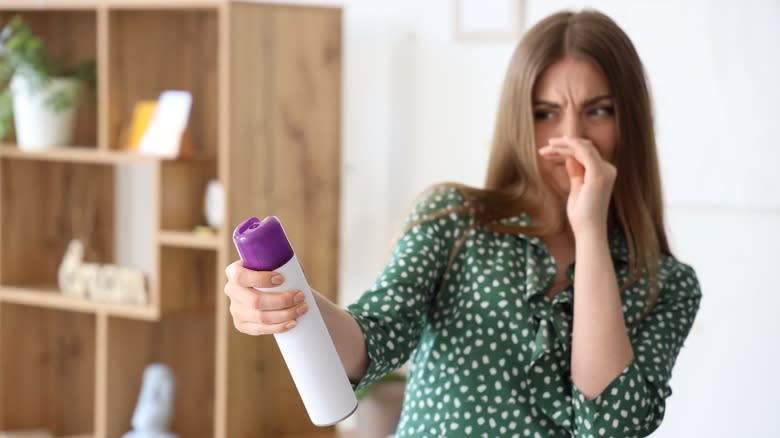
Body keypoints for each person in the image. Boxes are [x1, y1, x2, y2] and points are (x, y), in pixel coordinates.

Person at [223, 9, 701, 438]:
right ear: (519, 119)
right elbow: (375, 337)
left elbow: (612, 427)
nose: (571, 137)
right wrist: (290, 301)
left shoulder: (667, 285)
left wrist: (591, 232)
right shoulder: (454, 221)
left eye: (598, 111)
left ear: (628, 123)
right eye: (546, 113)